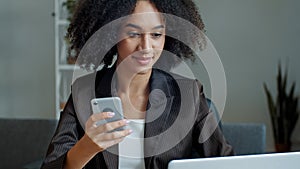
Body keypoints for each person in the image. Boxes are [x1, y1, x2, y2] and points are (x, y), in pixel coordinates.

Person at [42, 0, 234, 169]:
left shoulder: (188, 93)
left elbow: (226, 162)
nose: (146, 47)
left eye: (156, 35)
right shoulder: (84, 91)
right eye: (133, 34)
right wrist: (87, 147)